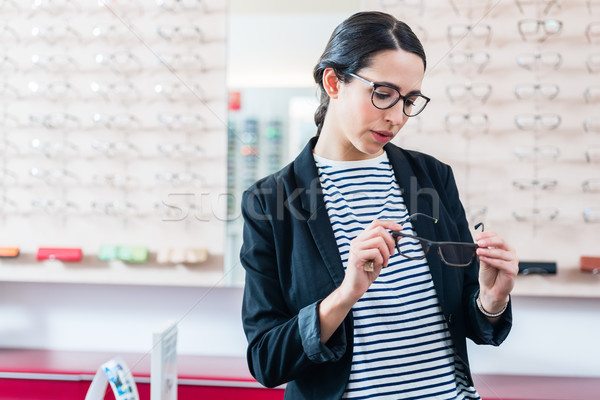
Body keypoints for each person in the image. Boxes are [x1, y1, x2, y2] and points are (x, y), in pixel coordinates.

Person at [240, 11, 518, 400]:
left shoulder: (433, 178)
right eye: (383, 93)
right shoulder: (270, 202)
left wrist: (491, 299)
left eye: (410, 100)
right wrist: (345, 295)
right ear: (333, 82)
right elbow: (267, 361)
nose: (396, 116)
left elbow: (475, 324)